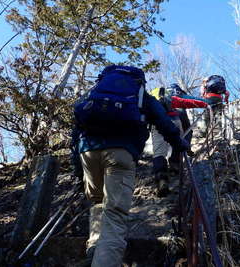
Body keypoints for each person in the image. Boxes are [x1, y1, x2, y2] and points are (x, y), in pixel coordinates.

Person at [71, 66, 190, 267]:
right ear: (140, 80)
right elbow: (164, 122)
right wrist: (181, 145)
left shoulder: (95, 92)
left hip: (88, 152)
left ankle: (94, 249)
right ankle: (104, 261)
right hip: (121, 152)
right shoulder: (141, 94)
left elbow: (76, 131)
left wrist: (78, 170)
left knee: (98, 202)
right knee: (115, 214)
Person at [150, 83, 209, 197]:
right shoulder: (172, 96)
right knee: (178, 143)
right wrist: (206, 103)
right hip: (174, 120)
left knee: (159, 153)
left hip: (156, 123)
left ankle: (162, 179)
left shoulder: (151, 98)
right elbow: (187, 101)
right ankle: (175, 165)